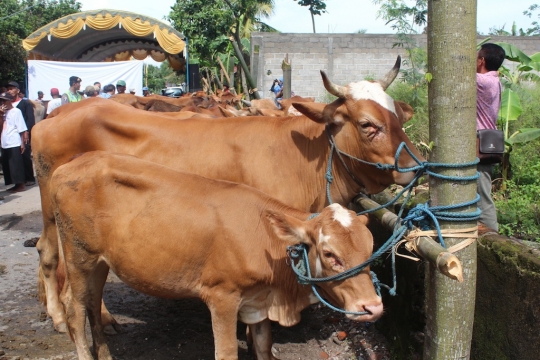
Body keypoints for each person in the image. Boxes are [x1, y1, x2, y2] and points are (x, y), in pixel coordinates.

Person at [476, 43, 506, 235]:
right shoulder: (496, 81)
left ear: (482, 61)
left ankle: (491, 235)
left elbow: (454, 73)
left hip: (480, 142)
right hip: (488, 140)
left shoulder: (482, 81)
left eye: (477, 57)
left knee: (483, 192)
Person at [6, 81, 35, 186]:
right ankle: (19, 179)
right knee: (15, 158)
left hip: (23, 134)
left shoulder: (25, 103)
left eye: (12, 88)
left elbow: (30, 119)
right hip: (11, 134)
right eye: (8, 89)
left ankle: (29, 177)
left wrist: (25, 133)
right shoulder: (7, 105)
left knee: (25, 155)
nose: (9, 90)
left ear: (18, 90)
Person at [0, 92, 28, 193]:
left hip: (14, 141)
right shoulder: (3, 112)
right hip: (5, 141)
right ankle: (14, 184)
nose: (2, 103)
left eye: (4, 100)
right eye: (1, 100)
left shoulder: (16, 111)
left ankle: (20, 184)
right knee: (8, 165)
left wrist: (22, 143)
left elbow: (21, 127)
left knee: (16, 164)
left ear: (10, 101)